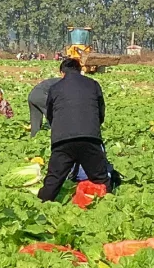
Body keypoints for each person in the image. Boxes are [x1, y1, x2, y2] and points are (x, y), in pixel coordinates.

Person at [38, 58, 112, 201]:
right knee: (100, 178)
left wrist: (60, 129)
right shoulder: (93, 84)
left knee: (53, 180)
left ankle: (41, 207)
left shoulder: (55, 88)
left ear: (62, 73)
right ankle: (109, 206)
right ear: (80, 70)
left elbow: (51, 115)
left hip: (62, 141)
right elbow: (101, 112)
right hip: (89, 138)